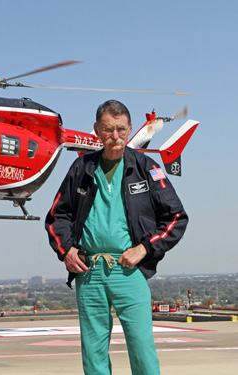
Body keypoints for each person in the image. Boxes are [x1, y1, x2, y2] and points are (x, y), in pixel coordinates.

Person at [45, 100, 188, 375]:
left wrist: (146, 248)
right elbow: (56, 216)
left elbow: (176, 218)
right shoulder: (81, 169)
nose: (116, 136)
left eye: (121, 130)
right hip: (89, 272)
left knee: (141, 345)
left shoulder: (146, 168)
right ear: (97, 130)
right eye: (109, 129)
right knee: (94, 349)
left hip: (128, 270)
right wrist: (67, 252)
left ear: (130, 128)